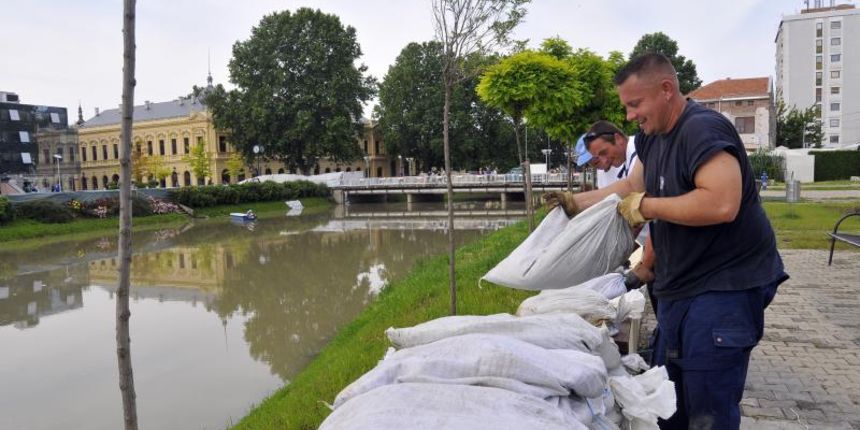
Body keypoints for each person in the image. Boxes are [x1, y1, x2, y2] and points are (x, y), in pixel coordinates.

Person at [545, 53, 787, 429]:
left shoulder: (703, 130)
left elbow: (722, 202)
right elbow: (631, 188)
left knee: (708, 412)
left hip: (724, 287)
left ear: (666, 90)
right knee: (669, 404)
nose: (629, 116)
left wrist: (648, 207)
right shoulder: (651, 139)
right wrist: (573, 204)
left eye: (635, 104)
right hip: (678, 288)